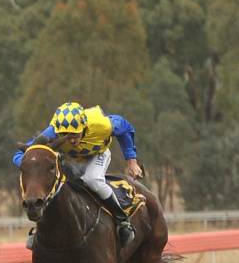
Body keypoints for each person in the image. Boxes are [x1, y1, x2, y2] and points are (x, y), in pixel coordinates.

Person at [12, 101, 142, 248]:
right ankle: (40, 230)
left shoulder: (104, 125)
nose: (72, 140)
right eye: (66, 135)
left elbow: (126, 128)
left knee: (92, 180)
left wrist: (131, 161)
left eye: (75, 134)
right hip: (71, 159)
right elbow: (20, 155)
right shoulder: (51, 132)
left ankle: (123, 221)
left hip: (97, 154)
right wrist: (35, 166)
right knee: (54, 183)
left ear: (84, 126)